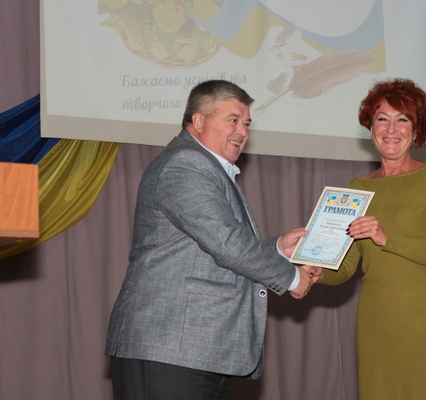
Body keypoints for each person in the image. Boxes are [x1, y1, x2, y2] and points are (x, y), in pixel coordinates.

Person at [105, 79, 313, 400]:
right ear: (199, 121)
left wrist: (276, 248)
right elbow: (227, 245)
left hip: (197, 350)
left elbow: (212, 246)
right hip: (169, 347)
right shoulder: (186, 163)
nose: (242, 131)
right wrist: (292, 277)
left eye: (246, 123)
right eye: (233, 120)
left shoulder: (205, 167)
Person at [308, 78, 426, 399]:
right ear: (371, 127)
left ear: (417, 130)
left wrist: (386, 238)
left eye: (402, 119)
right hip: (376, 322)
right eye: (382, 118)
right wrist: (318, 272)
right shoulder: (357, 188)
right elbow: (347, 265)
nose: (391, 129)